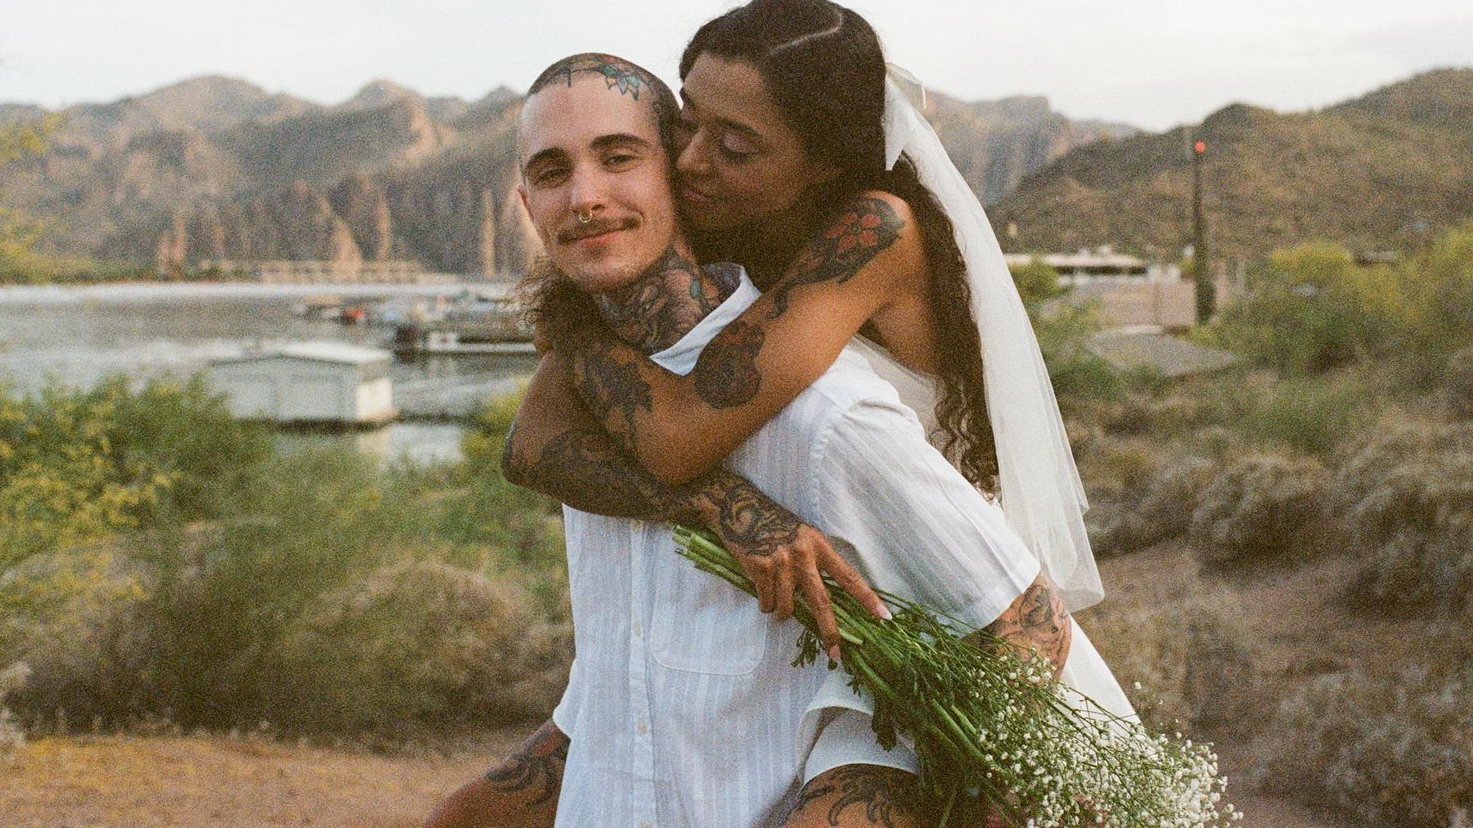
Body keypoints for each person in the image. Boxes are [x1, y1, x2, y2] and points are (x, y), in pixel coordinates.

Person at [426, 52, 1071, 828]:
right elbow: (622, 664)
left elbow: (1029, 616)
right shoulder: (587, 400)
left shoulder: (823, 414)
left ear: (684, 175)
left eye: (619, 157)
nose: (585, 197)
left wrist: (976, 803)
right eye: (553, 171)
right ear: (528, 203)